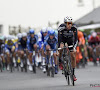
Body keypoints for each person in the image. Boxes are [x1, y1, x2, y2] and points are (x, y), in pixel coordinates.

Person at [58, 16, 78, 81]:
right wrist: (60, 45)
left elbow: (76, 39)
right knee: (60, 49)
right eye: (67, 23)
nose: (69, 25)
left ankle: (73, 73)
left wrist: (74, 47)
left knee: (73, 56)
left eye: (70, 23)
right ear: (65, 23)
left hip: (70, 41)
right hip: (62, 40)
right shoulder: (61, 27)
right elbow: (59, 38)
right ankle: (60, 61)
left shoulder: (74, 28)